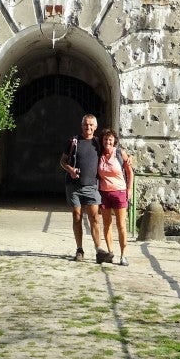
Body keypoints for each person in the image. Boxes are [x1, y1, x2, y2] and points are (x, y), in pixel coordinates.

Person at [60, 114, 114, 264]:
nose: (88, 127)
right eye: (86, 124)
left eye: (91, 125)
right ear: (81, 125)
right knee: (77, 217)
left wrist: (127, 157)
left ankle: (99, 250)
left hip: (91, 186)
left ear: (95, 127)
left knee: (95, 218)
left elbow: (112, 149)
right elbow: (62, 161)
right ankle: (79, 249)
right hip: (74, 186)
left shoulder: (98, 143)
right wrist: (70, 170)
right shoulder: (73, 141)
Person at [96, 128, 134, 266]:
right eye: (105, 139)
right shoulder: (99, 154)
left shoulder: (119, 153)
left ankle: (123, 255)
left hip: (119, 192)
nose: (108, 142)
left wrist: (129, 189)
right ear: (102, 141)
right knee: (107, 224)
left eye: (110, 139)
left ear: (114, 141)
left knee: (121, 225)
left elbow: (130, 172)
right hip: (104, 193)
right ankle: (110, 252)